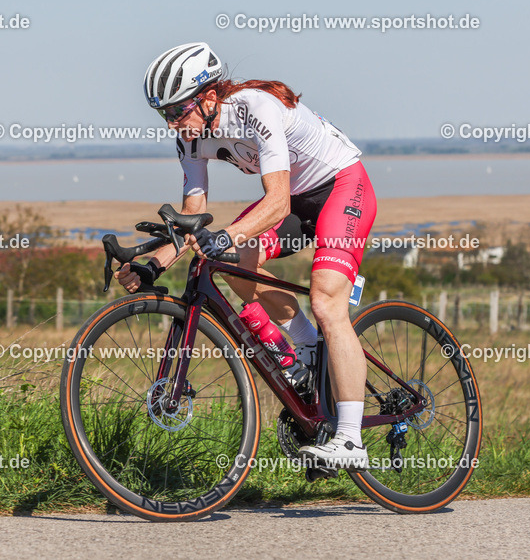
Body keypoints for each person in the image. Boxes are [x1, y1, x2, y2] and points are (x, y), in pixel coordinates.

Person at [116, 42, 378, 470]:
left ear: (210, 96)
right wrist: (152, 263)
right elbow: (192, 219)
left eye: (178, 111)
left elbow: (275, 202)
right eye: (164, 115)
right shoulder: (190, 139)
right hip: (296, 199)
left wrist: (228, 235)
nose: (172, 123)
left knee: (327, 301)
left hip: (341, 187)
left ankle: (350, 440)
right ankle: (307, 351)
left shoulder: (257, 108)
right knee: (232, 263)